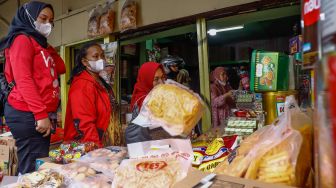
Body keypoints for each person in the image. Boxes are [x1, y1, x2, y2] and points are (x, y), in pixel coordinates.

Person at [0, 1, 66, 174]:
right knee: (32, 168)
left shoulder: (38, 44)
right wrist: (40, 114)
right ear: (28, 17)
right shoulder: (22, 40)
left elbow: (61, 67)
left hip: (35, 113)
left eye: (50, 21)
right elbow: (24, 80)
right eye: (43, 19)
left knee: (37, 165)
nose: (47, 24)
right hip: (27, 112)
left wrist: (46, 45)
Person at [64, 42, 120, 147]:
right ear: (85, 62)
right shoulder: (82, 85)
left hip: (103, 143)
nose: (101, 59)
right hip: (88, 146)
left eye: (102, 55)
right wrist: (96, 148)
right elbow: (84, 122)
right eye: (95, 56)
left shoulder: (100, 82)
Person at [126, 62, 176, 144]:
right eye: (156, 79)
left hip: (150, 143)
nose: (161, 82)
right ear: (147, 80)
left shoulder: (156, 95)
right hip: (139, 145)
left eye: (162, 78)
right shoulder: (144, 99)